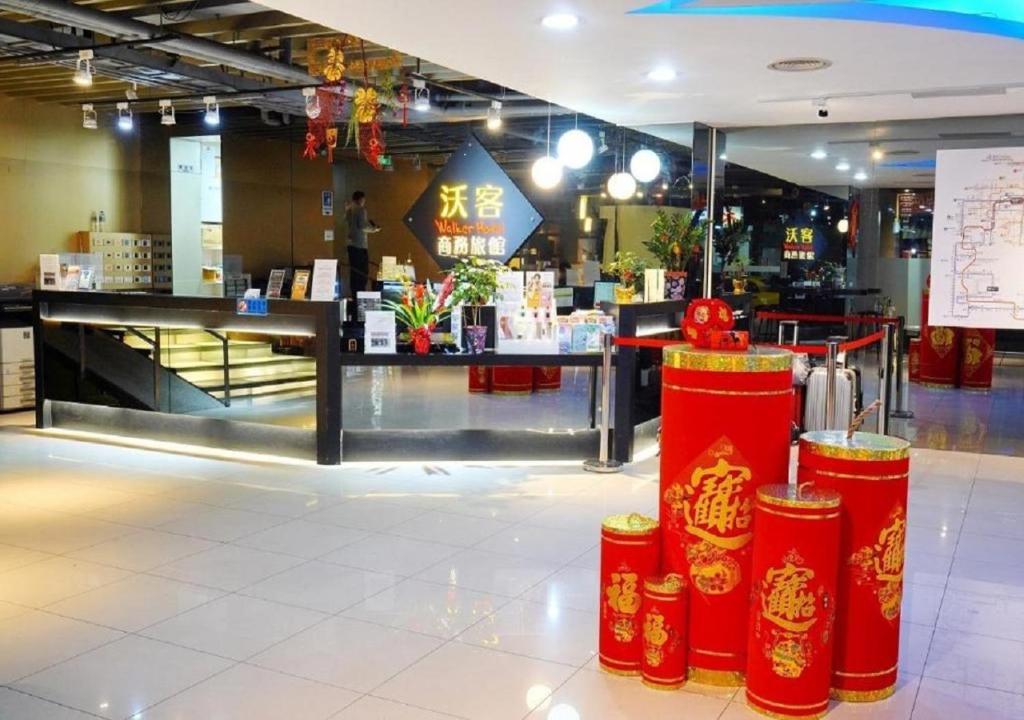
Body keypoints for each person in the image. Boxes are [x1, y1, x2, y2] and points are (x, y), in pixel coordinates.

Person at [345, 191, 379, 297]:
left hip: (351, 244)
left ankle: (354, 295)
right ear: (361, 199)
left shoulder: (348, 209)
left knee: (354, 272)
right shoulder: (360, 209)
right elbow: (363, 225)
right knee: (362, 273)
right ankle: (361, 295)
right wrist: (374, 229)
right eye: (363, 200)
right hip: (359, 245)